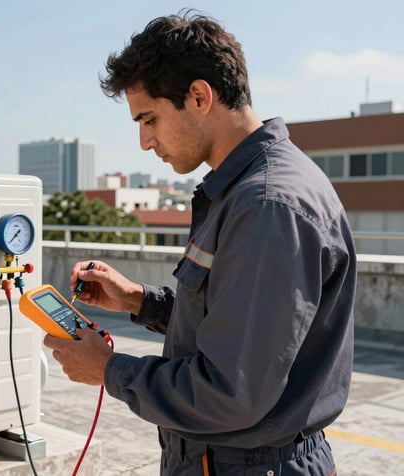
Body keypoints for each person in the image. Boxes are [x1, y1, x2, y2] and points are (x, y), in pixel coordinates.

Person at [43, 10, 356, 476]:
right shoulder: (243, 190)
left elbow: (231, 390)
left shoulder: (267, 205)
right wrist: (139, 302)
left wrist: (109, 369)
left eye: (148, 119)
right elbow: (237, 326)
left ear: (198, 96)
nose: (145, 141)